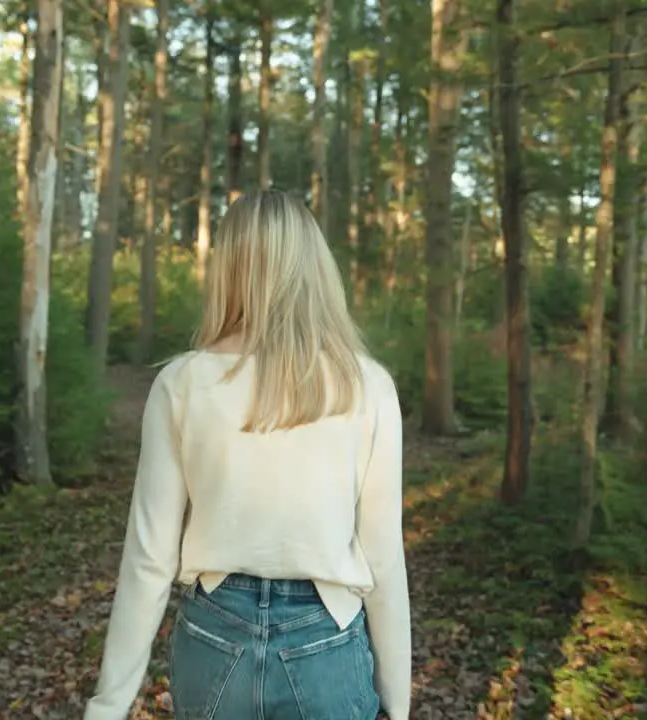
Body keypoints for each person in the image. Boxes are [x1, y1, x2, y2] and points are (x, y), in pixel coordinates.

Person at [82, 191, 411, 720]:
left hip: (213, 639)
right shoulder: (367, 385)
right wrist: (398, 705)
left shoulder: (183, 383)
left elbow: (149, 558)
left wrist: (108, 705)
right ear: (315, 266)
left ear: (229, 268)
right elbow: (384, 559)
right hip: (324, 640)